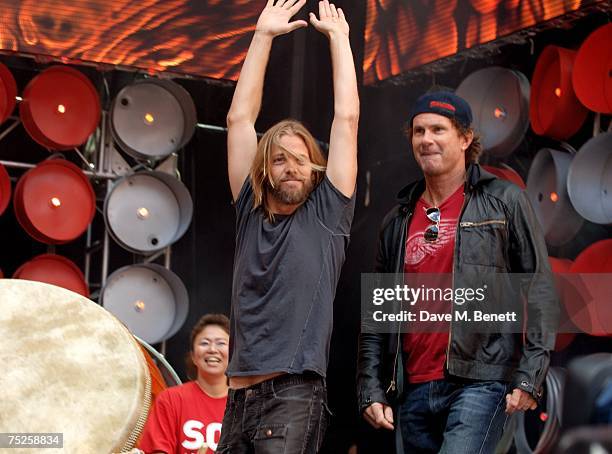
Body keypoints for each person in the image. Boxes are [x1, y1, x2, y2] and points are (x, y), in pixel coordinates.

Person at [357, 91, 558, 453]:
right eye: (418, 132)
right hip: (413, 386)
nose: (426, 139)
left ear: (466, 139)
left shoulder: (505, 201)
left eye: (438, 129)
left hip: (482, 381)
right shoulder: (397, 221)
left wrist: (530, 376)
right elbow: (376, 318)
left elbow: (540, 289)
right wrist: (371, 386)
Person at [218, 0, 359, 452]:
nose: (292, 168)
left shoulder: (327, 215)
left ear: (316, 168)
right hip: (236, 397)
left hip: (293, 395)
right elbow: (239, 120)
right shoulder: (249, 212)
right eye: (280, 159)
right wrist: (261, 37)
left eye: (302, 160)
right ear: (266, 169)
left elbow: (347, 120)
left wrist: (340, 41)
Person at [138, 314, 230, 454]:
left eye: (221, 343)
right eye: (204, 343)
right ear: (193, 356)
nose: (212, 349)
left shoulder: (246, 405)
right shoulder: (171, 399)